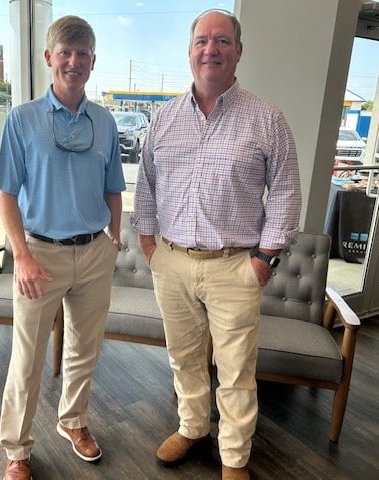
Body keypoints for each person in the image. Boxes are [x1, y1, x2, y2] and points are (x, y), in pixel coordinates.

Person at [132, 9, 301, 480]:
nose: (211, 49)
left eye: (222, 41)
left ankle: (234, 458)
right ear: (190, 51)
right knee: (184, 358)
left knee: (236, 370)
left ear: (238, 52)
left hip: (235, 266)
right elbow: (146, 186)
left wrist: (264, 260)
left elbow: (286, 193)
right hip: (172, 261)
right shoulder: (163, 118)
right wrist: (149, 246)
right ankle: (192, 428)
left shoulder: (267, 119)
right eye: (202, 41)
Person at [0, 15, 125, 480]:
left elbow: (113, 187)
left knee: (84, 349)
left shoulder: (105, 122)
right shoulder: (22, 120)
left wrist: (114, 238)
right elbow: (5, 193)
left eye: (82, 53)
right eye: (65, 53)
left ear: (92, 61)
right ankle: (17, 449)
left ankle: (73, 421)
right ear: (49, 57)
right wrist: (22, 256)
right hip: (40, 256)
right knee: (27, 359)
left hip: (94, 254)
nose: (74, 61)